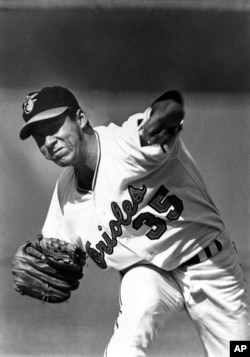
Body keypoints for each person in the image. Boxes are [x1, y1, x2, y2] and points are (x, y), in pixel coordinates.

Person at [19, 86, 250, 357]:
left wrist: (163, 117)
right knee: (125, 346)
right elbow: (52, 252)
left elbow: (166, 111)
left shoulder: (125, 144)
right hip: (148, 274)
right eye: (39, 136)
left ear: (81, 119)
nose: (48, 141)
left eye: (54, 126)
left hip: (209, 265)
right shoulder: (64, 196)